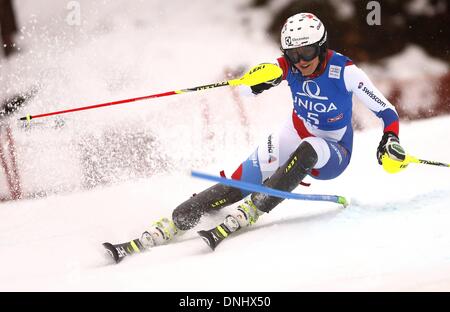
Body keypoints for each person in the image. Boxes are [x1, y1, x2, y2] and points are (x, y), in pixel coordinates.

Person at [104, 13, 407, 261]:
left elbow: (387, 111)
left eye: (307, 52)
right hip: (296, 130)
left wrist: (390, 140)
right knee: (240, 180)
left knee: (308, 150)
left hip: (333, 148)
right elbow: (267, 70)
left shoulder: (345, 71)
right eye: (293, 53)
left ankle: (254, 208)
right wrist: (260, 77)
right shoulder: (290, 65)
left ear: (321, 46)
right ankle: (179, 218)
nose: (300, 61)